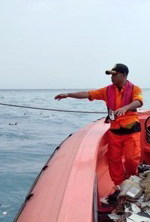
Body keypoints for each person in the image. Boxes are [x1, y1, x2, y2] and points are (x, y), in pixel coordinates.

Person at [54, 63, 143, 192]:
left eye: (114, 75)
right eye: (111, 75)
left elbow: (138, 101)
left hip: (131, 131)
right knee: (114, 160)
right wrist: (68, 94)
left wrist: (125, 107)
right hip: (115, 131)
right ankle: (119, 187)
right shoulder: (106, 90)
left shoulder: (135, 89)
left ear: (124, 75)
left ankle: (132, 180)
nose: (111, 78)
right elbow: (88, 94)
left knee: (131, 159)